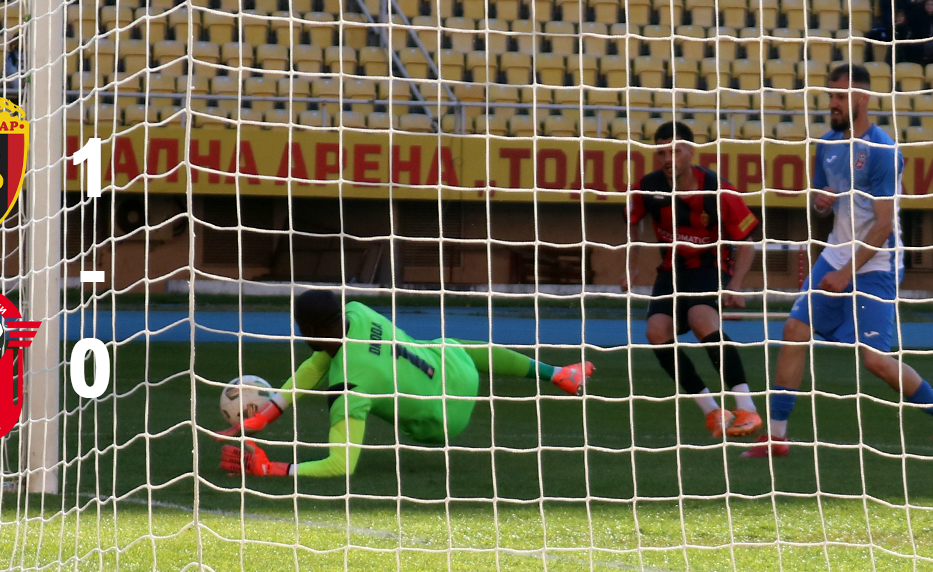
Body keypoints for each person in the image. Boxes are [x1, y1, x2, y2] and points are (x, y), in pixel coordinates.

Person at [743, 64, 933, 458]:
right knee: (794, 330)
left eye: (841, 96)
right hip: (837, 253)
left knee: (876, 361)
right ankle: (776, 437)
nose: (833, 103)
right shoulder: (827, 144)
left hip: (876, 262)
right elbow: (822, 208)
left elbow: (883, 226)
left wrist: (846, 274)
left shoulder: (882, 150)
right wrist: (820, 203)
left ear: (863, 99)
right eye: (831, 95)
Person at [218, 290, 595, 478]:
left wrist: (272, 467)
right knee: (448, 345)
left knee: (434, 357)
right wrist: (265, 416)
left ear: (308, 330)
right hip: (457, 371)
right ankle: (558, 374)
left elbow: (341, 465)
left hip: (445, 420)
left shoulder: (349, 387)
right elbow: (318, 362)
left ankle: (557, 374)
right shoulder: (356, 312)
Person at [621, 120, 764, 439]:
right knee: (656, 332)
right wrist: (631, 266)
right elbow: (633, 222)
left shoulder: (718, 189)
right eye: (661, 153)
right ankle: (713, 412)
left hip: (711, 265)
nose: (667, 159)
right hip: (671, 270)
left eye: (675, 151)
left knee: (701, 318)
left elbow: (748, 242)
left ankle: (748, 409)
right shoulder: (647, 187)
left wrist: (735, 285)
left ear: (690, 152)